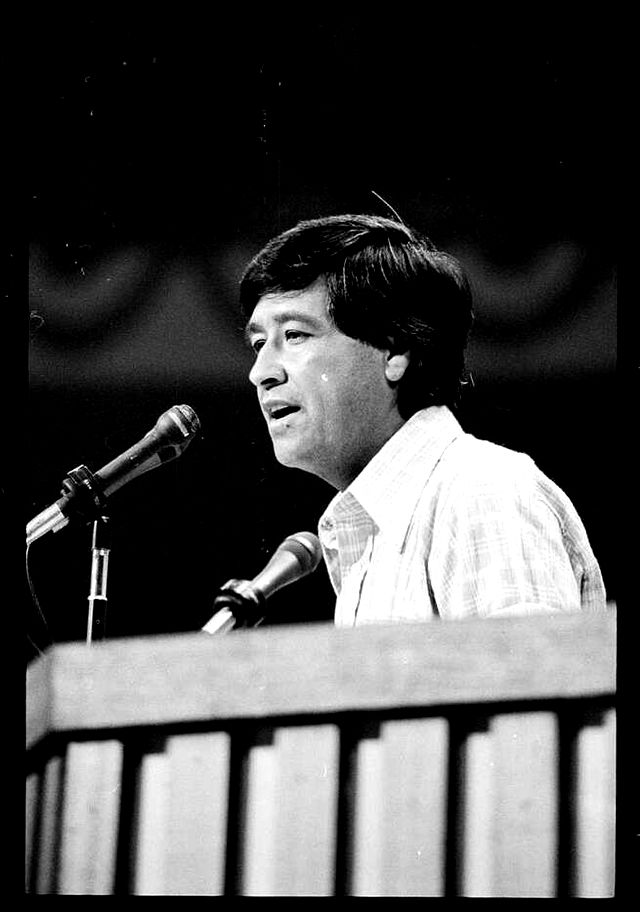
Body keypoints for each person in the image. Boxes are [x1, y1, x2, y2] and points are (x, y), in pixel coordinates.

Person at [239, 213, 606, 626]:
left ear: (394, 351)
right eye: (258, 343)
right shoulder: (372, 534)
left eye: (294, 336)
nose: (261, 371)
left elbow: (524, 686)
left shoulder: (480, 492)